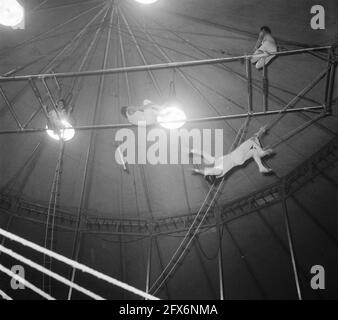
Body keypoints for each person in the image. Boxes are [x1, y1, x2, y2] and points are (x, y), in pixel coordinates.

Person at [190, 126, 274, 179]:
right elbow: (211, 171)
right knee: (252, 140)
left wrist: (197, 170)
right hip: (236, 156)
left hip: (238, 161)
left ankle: (261, 166)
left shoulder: (217, 165)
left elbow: (205, 161)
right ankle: (261, 147)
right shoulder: (218, 170)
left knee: (253, 151)